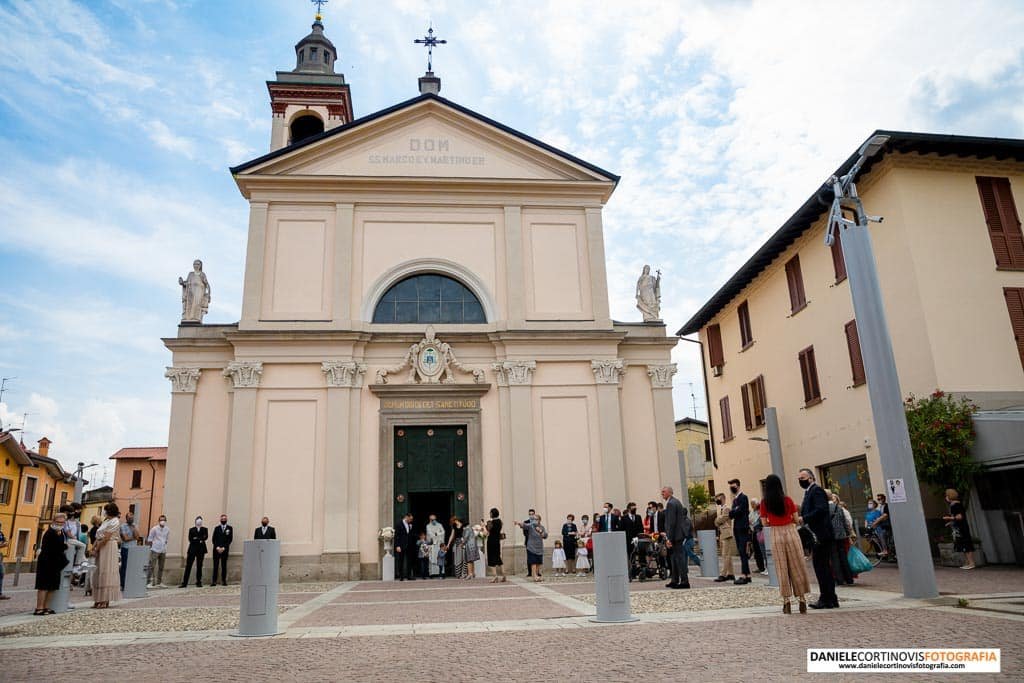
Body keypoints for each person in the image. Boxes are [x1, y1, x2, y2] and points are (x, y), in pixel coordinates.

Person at [760, 474, 810, 614]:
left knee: (782, 568)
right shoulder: (787, 500)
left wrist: (773, 521)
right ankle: (801, 599)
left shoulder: (765, 503)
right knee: (797, 565)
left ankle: (786, 601)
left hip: (776, 533)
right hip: (790, 531)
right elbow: (796, 519)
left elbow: (764, 523)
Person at [798, 468, 838, 609]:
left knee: (821, 567)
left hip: (821, 534)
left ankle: (826, 598)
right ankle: (830, 597)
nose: (800, 480)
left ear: (811, 478)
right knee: (822, 566)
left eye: (803, 477)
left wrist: (804, 518)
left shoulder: (816, 491)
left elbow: (821, 509)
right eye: (799, 478)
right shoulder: (809, 492)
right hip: (817, 534)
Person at [34, 512, 69, 615]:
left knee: (52, 586)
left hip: (55, 562)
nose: (60, 524)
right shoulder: (50, 532)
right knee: (43, 586)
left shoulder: (61, 532)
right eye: (58, 522)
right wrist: (65, 546)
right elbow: (53, 547)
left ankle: (46, 607)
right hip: (46, 561)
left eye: (62, 522)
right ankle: (39, 607)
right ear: (54, 521)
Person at [92, 503, 123, 608]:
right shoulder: (105, 521)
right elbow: (99, 535)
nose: (103, 512)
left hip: (108, 546)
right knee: (99, 571)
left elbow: (106, 537)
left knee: (107, 570)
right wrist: (94, 547)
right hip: (101, 545)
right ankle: (98, 598)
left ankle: (105, 599)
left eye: (105, 510)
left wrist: (97, 548)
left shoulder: (115, 521)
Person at [662, 485, 691, 589]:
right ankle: (675, 580)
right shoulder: (676, 502)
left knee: (679, 559)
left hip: (676, 535)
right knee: (674, 558)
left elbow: (671, 522)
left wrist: (668, 538)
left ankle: (684, 581)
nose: (662, 494)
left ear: (670, 492)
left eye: (664, 492)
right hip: (678, 534)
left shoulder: (671, 503)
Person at [943, 489, 975, 570]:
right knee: (963, 545)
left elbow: (960, 516)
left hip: (962, 528)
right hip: (960, 527)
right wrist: (950, 522)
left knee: (966, 544)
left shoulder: (956, 505)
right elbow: (957, 517)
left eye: (947, 496)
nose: (946, 497)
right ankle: (968, 563)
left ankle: (971, 563)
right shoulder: (954, 505)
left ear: (950, 496)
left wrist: (949, 517)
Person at [728, 479, 752, 585]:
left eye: (733, 486)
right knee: (741, 551)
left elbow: (740, 511)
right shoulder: (735, 500)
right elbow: (731, 514)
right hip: (737, 527)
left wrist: (734, 511)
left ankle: (744, 574)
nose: (732, 488)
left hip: (743, 527)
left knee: (743, 551)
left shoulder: (743, 498)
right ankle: (747, 574)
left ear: (738, 486)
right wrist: (734, 511)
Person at [829, 494, 854, 585]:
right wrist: (848, 533)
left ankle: (839, 579)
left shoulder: (825, 508)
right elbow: (845, 521)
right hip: (841, 535)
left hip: (831, 536)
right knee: (843, 556)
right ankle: (849, 578)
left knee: (834, 558)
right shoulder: (839, 508)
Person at [516, 513, 548, 581]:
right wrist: (519, 523)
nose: (534, 520)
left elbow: (545, 536)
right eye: (533, 519)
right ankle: (534, 576)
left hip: (539, 547)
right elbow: (524, 525)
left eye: (536, 519)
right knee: (533, 562)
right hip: (531, 547)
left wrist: (540, 531)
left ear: (539, 520)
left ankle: (536, 575)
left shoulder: (542, 527)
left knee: (538, 563)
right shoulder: (531, 526)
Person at [180, 516, 208, 588]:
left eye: (200, 521)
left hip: (201, 550)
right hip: (192, 550)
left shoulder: (205, 529)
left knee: (199, 566)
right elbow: (190, 539)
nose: (199, 522)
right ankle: (184, 583)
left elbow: (205, 537)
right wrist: (200, 539)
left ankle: (198, 582)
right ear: (195, 521)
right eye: (198, 520)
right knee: (188, 566)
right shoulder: (191, 529)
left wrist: (197, 538)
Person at [714, 493, 735, 582]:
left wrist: (717, 520)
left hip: (727, 533)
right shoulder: (721, 509)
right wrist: (718, 520)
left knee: (725, 554)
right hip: (723, 533)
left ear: (722, 498)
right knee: (727, 555)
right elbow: (719, 520)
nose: (716, 500)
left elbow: (722, 519)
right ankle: (731, 574)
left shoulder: (727, 508)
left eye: (717, 499)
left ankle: (723, 574)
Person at [146, 515, 170, 587]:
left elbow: (166, 539)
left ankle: (159, 582)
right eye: (161, 520)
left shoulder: (167, 529)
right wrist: (151, 548)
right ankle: (148, 582)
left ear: (165, 521)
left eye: (164, 520)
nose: (162, 521)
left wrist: (164, 546)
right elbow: (150, 539)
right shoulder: (154, 529)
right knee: (152, 566)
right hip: (155, 549)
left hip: (163, 550)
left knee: (161, 567)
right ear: (159, 521)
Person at [119, 511, 140, 591]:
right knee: (125, 567)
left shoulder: (135, 526)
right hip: (126, 548)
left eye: (132, 517)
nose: (131, 519)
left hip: (133, 549)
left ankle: (131, 583)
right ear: (126, 518)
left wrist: (133, 528)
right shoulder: (123, 526)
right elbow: (125, 538)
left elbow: (137, 537)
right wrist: (133, 538)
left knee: (132, 567)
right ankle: (123, 584)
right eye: (129, 517)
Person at [211, 514, 233, 586]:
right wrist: (217, 547)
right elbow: (214, 539)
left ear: (226, 520)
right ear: (220, 520)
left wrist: (224, 548)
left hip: (224, 550)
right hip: (216, 550)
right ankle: (214, 581)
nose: (223, 520)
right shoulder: (216, 528)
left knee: (224, 566)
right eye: (222, 519)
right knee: (215, 566)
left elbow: (230, 539)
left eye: (224, 519)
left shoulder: (230, 528)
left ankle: (223, 581)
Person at [394, 513, 416, 581]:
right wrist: (397, 546)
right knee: (401, 561)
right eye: (410, 519)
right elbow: (397, 536)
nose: (411, 520)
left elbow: (410, 535)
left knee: (409, 561)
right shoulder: (399, 524)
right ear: (406, 517)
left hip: (409, 546)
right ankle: (401, 576)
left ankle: (409, 576)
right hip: (401, 545)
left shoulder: (410, 525)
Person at [870, 493, 892, 561]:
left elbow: (885, 515)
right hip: (884, 525)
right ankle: (889, 555)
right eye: (878, 499)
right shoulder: (881, 507)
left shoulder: (886, 506)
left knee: (882, 535)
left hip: (887, 526)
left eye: (880, 499)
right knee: (883, 538)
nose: (879, 500)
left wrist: (876, 522)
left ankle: (885, 550)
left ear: (884, 499)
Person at [486, 508, 505, 583]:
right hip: (497, 541)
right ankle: (504, 575)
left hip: (491, 541)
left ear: (492, 514)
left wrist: (483, 526)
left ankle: (495, 576)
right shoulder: (500, 522)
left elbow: (487, 532)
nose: (489, 514)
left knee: (491, 558)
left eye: (490, 513)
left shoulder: (490, 522)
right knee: (498, 557)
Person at [749, 498, 767, 574]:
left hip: (761, 532)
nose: (752, 506)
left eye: (753, 504)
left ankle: (766, 567)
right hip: (754, 532)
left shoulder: (760, 510)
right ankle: (760, 567)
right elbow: (750, 520)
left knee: (763, 550)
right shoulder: (752, 512)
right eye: (751, 504)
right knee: (757, 550)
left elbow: (758, 522)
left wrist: (753, 523)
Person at [0, 521, 8, 600]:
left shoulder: (0, 534)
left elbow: (5, 541)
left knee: (1, 573)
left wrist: (4, 543)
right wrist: (2, 544)